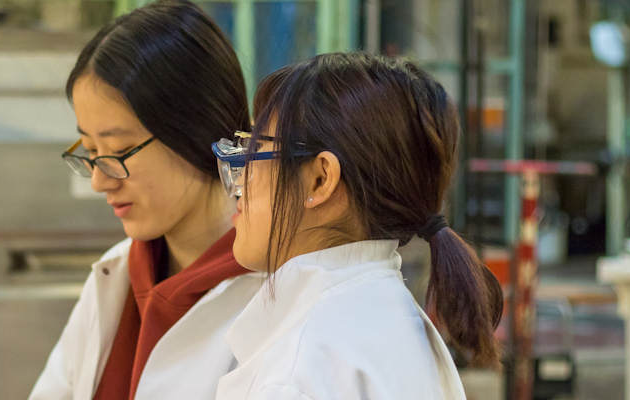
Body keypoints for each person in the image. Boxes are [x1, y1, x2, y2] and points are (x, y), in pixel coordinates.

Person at [211, 52, 503, 399]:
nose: (239, 182)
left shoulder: (299, 369)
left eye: (256, 151)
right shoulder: (388, 315)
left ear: (321, 179)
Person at [30, 1, 260, 399]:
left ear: (196, 128)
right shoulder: (115, 280)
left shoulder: (276, 297)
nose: (99, 181)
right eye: (88, 151)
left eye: (118, 151)